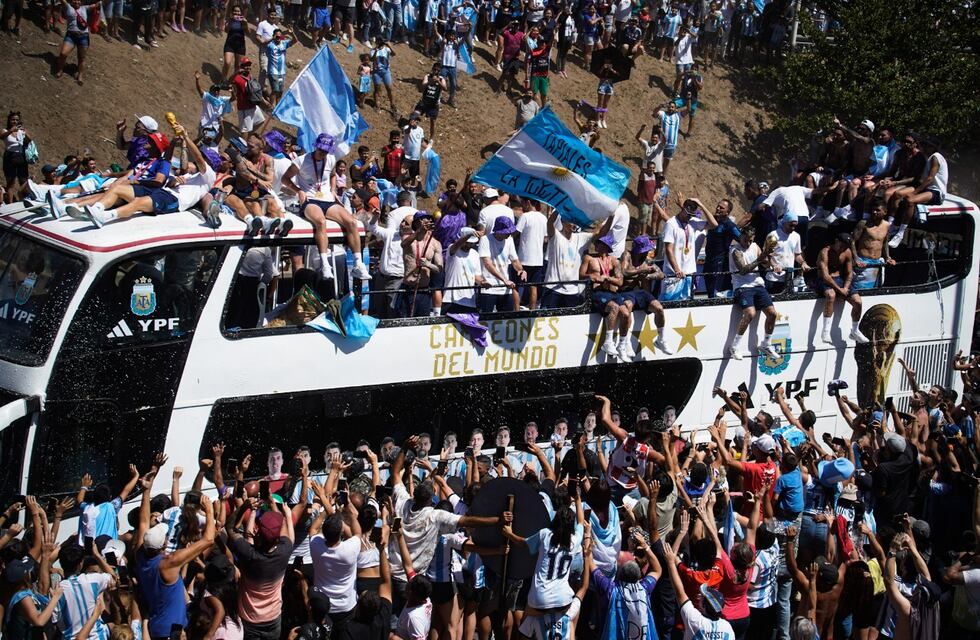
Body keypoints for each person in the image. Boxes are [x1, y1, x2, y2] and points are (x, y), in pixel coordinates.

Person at [281, 133, 372, 281]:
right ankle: (324, 264)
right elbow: (285, 178)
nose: (322, 153)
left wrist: (333, 189)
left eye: (325, 151)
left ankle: (358, 263)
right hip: (310, 199)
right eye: (320, 150)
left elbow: (333, 174)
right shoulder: (301, 160)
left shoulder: (330, 159)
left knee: (351, 222)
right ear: (316, 147)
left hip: (327, 200)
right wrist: (299, 191)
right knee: (321, 222)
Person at [663, 535, 736, 640]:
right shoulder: (727, 628)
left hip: (682, 627)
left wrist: (670, 562)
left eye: (702, 596)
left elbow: (679, 592)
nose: (700, 596)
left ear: (703, 607)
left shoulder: (693, 620)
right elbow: (719, 550)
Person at [728, 225, 780, 361]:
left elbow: (765, 264)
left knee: (773, 314)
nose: (748, 243)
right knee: (750, 313)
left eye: (750, 240)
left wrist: (771, 261)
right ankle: (735, 346)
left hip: (758, 284)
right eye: (746, 240)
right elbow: (743, 270)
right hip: (742, 286)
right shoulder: (735, 250)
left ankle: (766, 344)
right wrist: (760, 258)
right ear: (740, 237)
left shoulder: (755, 246)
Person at [889, 135, 948, 248]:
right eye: (924, 145)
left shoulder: (935, 157)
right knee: (898, 194)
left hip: (936, 192)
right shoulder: (929, 157)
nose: (925, 147)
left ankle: (900, 233)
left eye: (928, 145)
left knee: (910, 200)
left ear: (933, 147)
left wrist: (916, 192)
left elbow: (930, 178)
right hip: (927, 189)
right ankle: (893, 225)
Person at [661, 195, 719, 301]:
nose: (689, 217)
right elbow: (668, 249)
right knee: (669, 305)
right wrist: (677, 269)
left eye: (691, 214)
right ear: (683, 208)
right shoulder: (671, 224)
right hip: (674, 274)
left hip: (688, 273)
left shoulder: (692, 222)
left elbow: (714, 224)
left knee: (685, 306)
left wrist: (701, 205)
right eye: (688, 214)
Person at [814, 231, 869, 344]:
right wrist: (839, 290)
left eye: (846, 246)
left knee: (858, 301)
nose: (844, 248)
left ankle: (854, 330)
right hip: (824, 280)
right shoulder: (825, 252)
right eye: (842, 245)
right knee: (831, 295)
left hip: (840, 280)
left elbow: (849, 273)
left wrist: (845, 287)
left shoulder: (847, 252)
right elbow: (825, 276)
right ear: (837, 241)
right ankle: (825, 331)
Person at [478, 216, 526, 312]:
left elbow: (514, 260)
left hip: (505, 288)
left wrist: (521, 270)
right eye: (507, 232)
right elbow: (487, 264)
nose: (509, 233)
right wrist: (504, 279)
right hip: (489, 287)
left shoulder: (509, 240)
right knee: (486, 320)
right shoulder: (485, 240)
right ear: (499, 231)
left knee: (506, 319)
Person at [849, 197, 896, 290]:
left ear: (885, 212)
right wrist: (856, 259)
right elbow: (852, 241)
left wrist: (887, 257)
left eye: (878, 210)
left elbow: (885, 242)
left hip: (877, 263)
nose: (875, 212)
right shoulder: (863, 223)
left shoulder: (887, 225)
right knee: (859, 289)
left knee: (875, 289)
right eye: (873, 210)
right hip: (863, 262)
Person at [54, 0, 100, 84]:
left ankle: (80, 75)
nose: (76, 2)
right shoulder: (68, 7)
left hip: (83, 36)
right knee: (63, 53)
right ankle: (60, 70)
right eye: (74, 0)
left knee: (81, 58)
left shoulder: (85, 8)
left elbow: (97, 4)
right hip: (71, 35)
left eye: (78, 0)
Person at [763, 212, 807, 294]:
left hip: (788, 277)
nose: (793, 228)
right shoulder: (773, 235)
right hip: (773, 278)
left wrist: (803, 263)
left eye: (795, 226)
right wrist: (774, 265)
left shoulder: (796, 236)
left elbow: (797, 254)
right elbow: (766, 254)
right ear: (785, 223)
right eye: (791, 225)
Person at [232, 58, 270, 134]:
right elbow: (229, 81)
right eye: (246, 65)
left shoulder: (250, 76)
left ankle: (247, 137)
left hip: (253, 106)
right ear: (242, 67)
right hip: (244, 108)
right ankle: (243, 141)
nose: (248, 67)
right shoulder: (237, 78)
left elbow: (256, 92)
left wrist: (264, 101)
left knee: (260, 120)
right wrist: (236, 72)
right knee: (245, 130)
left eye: (249, 65)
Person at [2, 112, 31, 204]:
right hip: (10, 157)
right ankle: (10, 204)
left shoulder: (21, 131)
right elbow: (1, 137)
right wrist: (11, 130)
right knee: (11, 182)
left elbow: (29, 140)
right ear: (9, 120)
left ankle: (24, 201)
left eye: (17, 120)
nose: (15, 121)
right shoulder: (5, 130)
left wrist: (24, 132)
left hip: (21, 157)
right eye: (13, 119)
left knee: (23, 180)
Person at [265, 27, 295, 106]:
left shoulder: (284, 43)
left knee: (280, 91)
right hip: (272, 71)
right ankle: (271, 107)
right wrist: (272, 39)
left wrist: (292, 34)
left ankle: (277, 107)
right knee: (275, 90)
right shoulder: (270, 45)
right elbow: (263, 43)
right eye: (277, 37)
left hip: (282, 72)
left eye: (280, 37)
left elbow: (295, 41)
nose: (278, 38)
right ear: (274, 36)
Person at [415, 66, 448, 138]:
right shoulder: (427, 76)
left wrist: (438, 81)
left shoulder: (442, 79)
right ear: (432, 69)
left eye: (438, 70)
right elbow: (422, 87)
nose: (436, 71)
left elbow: (445, 88)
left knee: (432, 122)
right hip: (424, 101)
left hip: (434, 104)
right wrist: (430, 82)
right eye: (435, 69)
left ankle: (431, 139)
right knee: (415, 115)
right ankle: (412, 131)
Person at [222, 6, 250, 80]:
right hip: (229, 44)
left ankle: (234, 82)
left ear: (241, 13)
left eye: (238, 11)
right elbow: (226, 30)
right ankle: (223, 80)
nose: (236, 13)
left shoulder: (243, 21)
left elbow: (248, 33)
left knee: (238, 66)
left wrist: (246, 24)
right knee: (227, 63)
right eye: (235, 11)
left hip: (240, 46)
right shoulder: (230, 20)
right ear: (232, 12)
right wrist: (231, 21)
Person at [371, 39, 397, 114]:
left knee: (389, 88)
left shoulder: (387, 49)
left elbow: (394, 54)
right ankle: (377, 104)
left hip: (386, 71)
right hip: (377, 71)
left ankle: (392, 104)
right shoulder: (373, 50)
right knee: (377, 88)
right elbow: (372, 59)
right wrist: (376, 50)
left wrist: (390, 46)